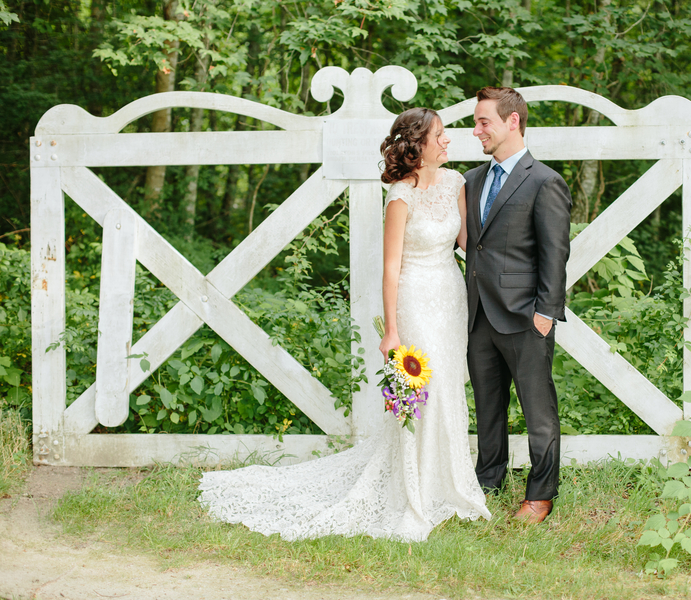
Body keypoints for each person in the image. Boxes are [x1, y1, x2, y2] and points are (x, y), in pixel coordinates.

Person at [198, 108, 490, 542]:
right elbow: (391, 269)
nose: (448, 141)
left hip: (450, 297)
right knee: (421, 392)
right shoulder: (399, 197)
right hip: (413, 299)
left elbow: (469, 244)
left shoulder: (456, 184)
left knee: (447, 386)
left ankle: (447, 484)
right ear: (418, 147)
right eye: (440, 136)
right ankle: (414, 489)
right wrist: (391, 331)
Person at [464, 87, 572, 524]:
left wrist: (546, 314)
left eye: (483, 122)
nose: (476, 131)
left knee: (537, 410)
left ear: (513, 122)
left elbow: (555, 253)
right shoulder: (471, 181)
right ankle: (488, 482)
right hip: (478, 316)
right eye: (476, 122)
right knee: (488, 408)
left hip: (527, 317)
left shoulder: (545, 181)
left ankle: (540, 495)